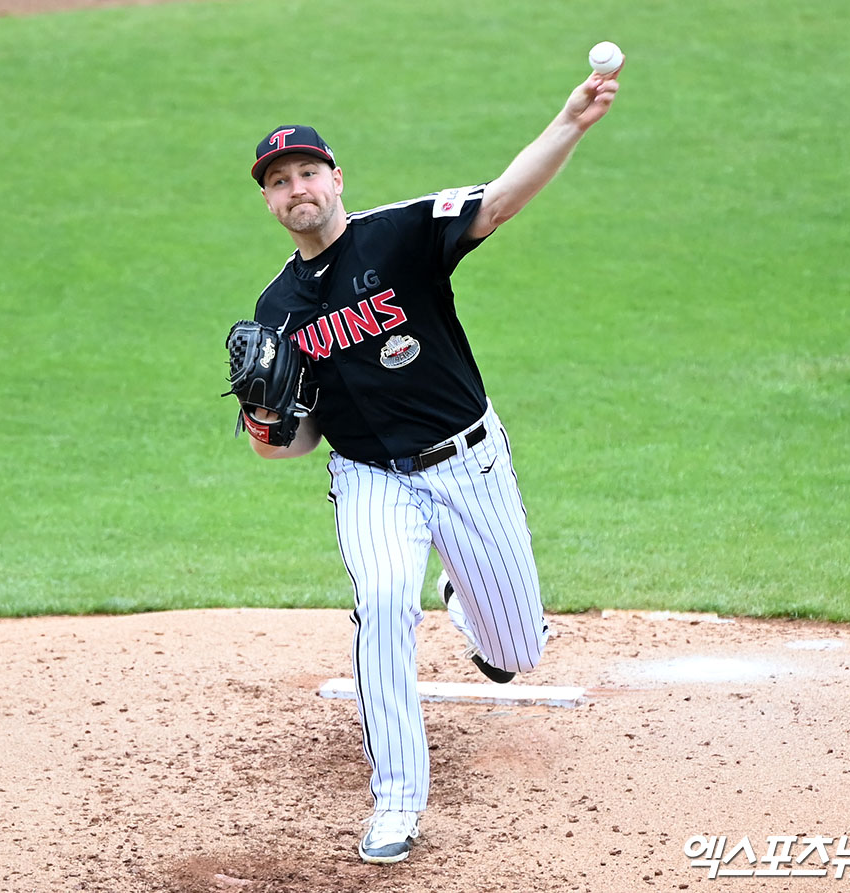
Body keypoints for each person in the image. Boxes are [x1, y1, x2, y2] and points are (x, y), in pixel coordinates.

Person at [238, 63, 622, 864]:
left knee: (516, 655)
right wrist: (265, 418)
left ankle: (464, 595)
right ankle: (395, 802)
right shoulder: (276, 310)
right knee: (382, 604)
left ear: (336, 178)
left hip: (468, 465)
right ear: (269, 202)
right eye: (280, 181)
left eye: (307, 170)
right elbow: (293, 442)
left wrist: (570, 123)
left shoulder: (401, 233)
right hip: (371, 479)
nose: (296, 187)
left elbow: (501, 200)